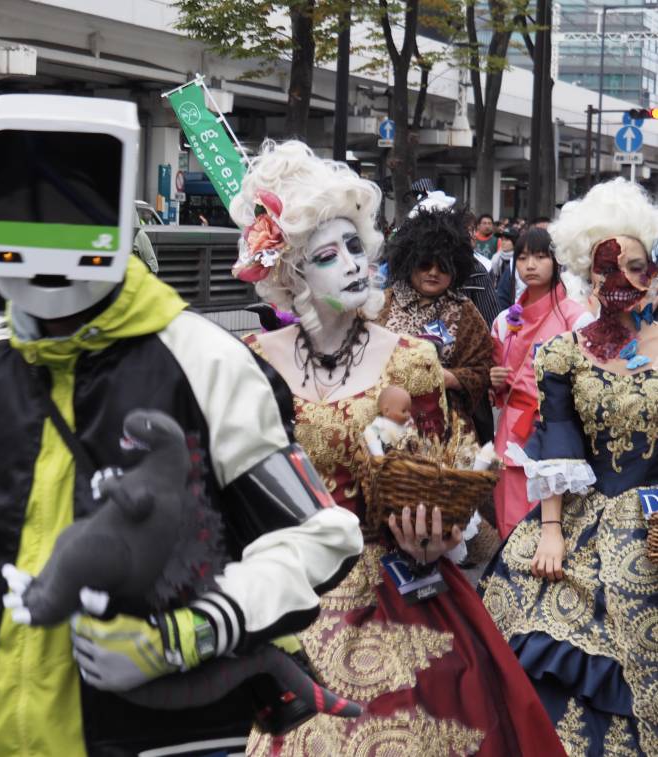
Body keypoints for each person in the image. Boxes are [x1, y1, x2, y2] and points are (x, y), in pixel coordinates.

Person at [0, 95, 362, 757]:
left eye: (72, 211)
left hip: (151, 734)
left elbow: (318, 536)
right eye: (24, 207)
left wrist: (185, 632)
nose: (48, 235)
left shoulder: (205, 361)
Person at [231, 140, 564, 756]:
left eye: (356, 245)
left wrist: (439, 533)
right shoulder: (254, 364)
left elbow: (442, 472)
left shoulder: (410, 359)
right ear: (293, 274)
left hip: (399, 583)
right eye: (328, 255)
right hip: (299, 595)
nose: (353, 263)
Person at [480, 178, 658, 755]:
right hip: (580, 521)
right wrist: (550, 530)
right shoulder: (563, 352)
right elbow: (557, 438)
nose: (624, 280)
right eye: (609, 267)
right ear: (590, 272)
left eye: (637, 265)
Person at [488, 226, 594, 539]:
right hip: (512, 427)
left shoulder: (578, 319)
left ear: (556, 260)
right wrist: (494, 380)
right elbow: (497, 389)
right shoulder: (505, 320)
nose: (530, 265)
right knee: (510, 517)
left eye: (540, 256)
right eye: (522, 258)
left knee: (556, 519)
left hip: (559, 429)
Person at [376, 207, 494, 442]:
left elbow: (482, 370)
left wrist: (450, 377)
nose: (433, 272)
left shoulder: (464, 311)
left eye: (443, 267)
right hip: (383, 420)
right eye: (425, 264)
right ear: (409, 262)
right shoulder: (381, 304)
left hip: (444, 428)